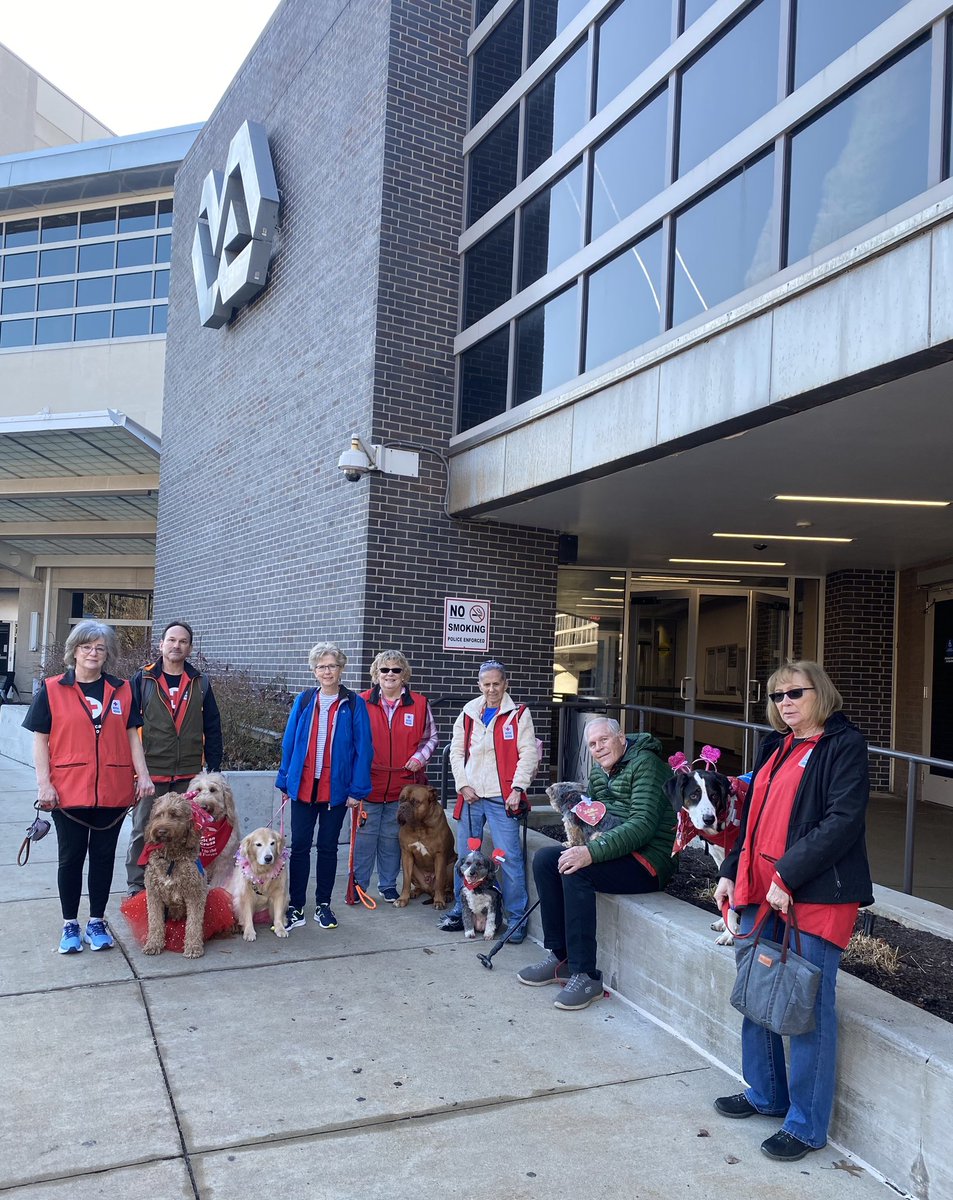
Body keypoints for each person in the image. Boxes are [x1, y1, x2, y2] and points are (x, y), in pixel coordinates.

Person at [712, 660, 873, 1163]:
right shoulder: (774, 745)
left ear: (819, 693)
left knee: (807, 1011)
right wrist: (730, 871)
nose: (785, 702)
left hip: (817, 894)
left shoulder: (843, 746)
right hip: (761, 888)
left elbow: (842, 821)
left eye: (795, 693)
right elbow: (754, 818)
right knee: (757, 992)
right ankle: (764, 1094)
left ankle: (805, 1126)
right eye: (777, 695)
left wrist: (788, 875)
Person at [517, 717, 675, 1010]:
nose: (599, 748)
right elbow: (596, 815)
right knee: (545, 860)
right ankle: (560, 958)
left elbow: (643, 825)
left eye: (604, 740)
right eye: (592, 744)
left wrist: (591, 853)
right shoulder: (601, 771)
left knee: (578, 872)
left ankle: (585, 974)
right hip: (615, 851)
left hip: (647, 859)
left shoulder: (647, 765)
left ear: (621, 736)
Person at [23, 620, 155, 953]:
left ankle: (97, 921)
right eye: (86, 646)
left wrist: (144, 775)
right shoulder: (52, 689)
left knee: (102, 858)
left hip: (112, 789)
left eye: (99, 647)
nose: (93, 653)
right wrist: (44, 784)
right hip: (67, 791)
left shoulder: (123, 689)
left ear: (107, 653)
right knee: (70, 859)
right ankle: (70, 925)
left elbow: (132, 736)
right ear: (75, 651)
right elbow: (41, 741)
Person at [276, 642, 372, 931]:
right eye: (321, 666)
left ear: (340, 668)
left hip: (337, 790)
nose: (327, 671)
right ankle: (296, 906)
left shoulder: (354, 704)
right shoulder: (304, 701)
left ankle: (323, 904)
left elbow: (363, 750)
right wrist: (284, 779)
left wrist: (357, 790)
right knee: (301, 847)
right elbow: (289, 743)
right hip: (303, 787)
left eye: (332, 665)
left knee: (329, 848)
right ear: (314, 671)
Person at [440, 660, 537, 942]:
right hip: (471, 797)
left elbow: (528, 754)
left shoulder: (518, 714)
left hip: (502, 798)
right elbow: (456, 753)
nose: (492, 689)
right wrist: (463, 783)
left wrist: (518, 788)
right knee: (464, 858)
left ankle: (516, 921)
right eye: (486, 684)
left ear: (505, 684)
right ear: (479, 685)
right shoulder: (468, 713)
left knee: (509, 859)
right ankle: (463, 911)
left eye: (497, 683)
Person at [125, 620, 223, 897]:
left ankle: (184, 881)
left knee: (188, 832)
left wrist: (213, 769)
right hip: (151, 771)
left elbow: (212, 725)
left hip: (188, 774)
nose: (176, 645)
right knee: (144, 830)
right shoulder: (142, 679)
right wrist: (134, 769)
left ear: (189, 648)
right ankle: (138, 884)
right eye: (171, 640)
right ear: (161, 644)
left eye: (182, 641)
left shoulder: (200, 682)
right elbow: (129, 726)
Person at [357, 649, 438, 903]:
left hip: (404, 790)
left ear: (404, 675)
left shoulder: (420, 703)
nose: (390, 674)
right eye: (384, 669)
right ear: (376, 674)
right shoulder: (361, 702)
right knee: (365, 840)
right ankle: (358, 887)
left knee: (393, 838)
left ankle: (388, 885)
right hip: (368, 785)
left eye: (396, 670)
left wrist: (419, 758)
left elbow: (431, 739)